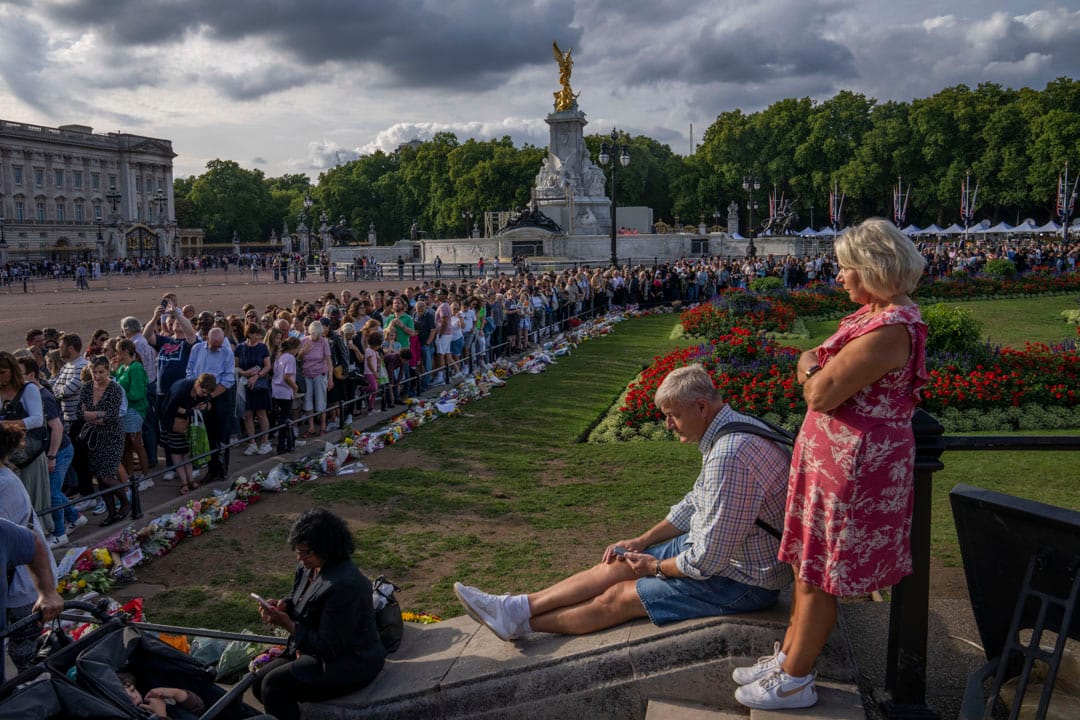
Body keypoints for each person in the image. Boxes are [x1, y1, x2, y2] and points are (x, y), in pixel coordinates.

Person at [732, 218, 928, 710]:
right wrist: (813, 366)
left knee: (822, 570)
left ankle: (796, 677)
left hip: (856, 469)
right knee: (807, 561)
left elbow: (819, 389)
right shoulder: (871, 316)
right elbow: (810, 357)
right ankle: (789, 657)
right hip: (833, 460)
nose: (838, 277)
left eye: (844, 268)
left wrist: (812, 370)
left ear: (871, 268)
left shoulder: (891, 328)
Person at [454, 364, 791, 639]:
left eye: (672, 415)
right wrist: (641, 541)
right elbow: (696, 502)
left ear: (701, 407)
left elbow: (706, 562)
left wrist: (656, 568)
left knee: (621, 595)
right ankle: (515, 608)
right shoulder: (732, 426)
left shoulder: (729, 455)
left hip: (745, 580)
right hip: (726, 552)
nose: (668, 424)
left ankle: (521, 624)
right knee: (619, 562)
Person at [252, 509, 385, 720]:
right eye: (297, 552)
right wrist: (283, 605)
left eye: (306, 553)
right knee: (259, 681)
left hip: (350, 661)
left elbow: (329, 646)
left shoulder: (345, 585)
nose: (300, 558)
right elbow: (301, 598)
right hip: (313, 650)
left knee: (273, 686)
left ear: (327, 549)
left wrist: (287, 624)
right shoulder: (309, 568)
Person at [78, 356, 128, 526]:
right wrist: (100, 414)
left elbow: (113, 416)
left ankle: (126, 502)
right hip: (94, 438)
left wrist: (92, 415)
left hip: (112, 436)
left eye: (101, 372)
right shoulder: (86, 388)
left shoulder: (115, 388)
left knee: (107, 476)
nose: (97, 376)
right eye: (94, 372)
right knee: (100, 478)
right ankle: (111, 512)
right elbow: (79, 413)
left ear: (108, 371)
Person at [185, 328, 235, 484]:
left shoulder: (226, 353)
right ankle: (211, 470)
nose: (217, 347)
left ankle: (222, 469)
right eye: (214, 344)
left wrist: (209, 397)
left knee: (221, 434)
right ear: (207, 338)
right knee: (207, 433)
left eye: (220, 344)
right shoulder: (197, 348)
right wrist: (196, 391)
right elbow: (190, 370)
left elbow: (228, 379)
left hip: (219, 394)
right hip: (200, 393)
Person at [236, 324, 273, 456]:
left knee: (261, 414)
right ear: (250, 334)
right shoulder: (240, 348)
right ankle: (252, 443)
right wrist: (245, 373)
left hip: (259, 384)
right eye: (257, 334)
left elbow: (267, 366)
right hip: (245, 385)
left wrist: (257, 376)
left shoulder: (262, 347)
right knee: (248, 415)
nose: (259, 336)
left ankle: (265, 442)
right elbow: (236, 366)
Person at [272, 337, 302, 454]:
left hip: (276, 390)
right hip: (285, 391)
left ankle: (285, 442)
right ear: (294, 348)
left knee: (281, 418)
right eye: (298, 348)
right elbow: (287, 377)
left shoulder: (280, 356)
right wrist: (295, 387)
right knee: (285, 419)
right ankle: (282, 445)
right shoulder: (290, 358)